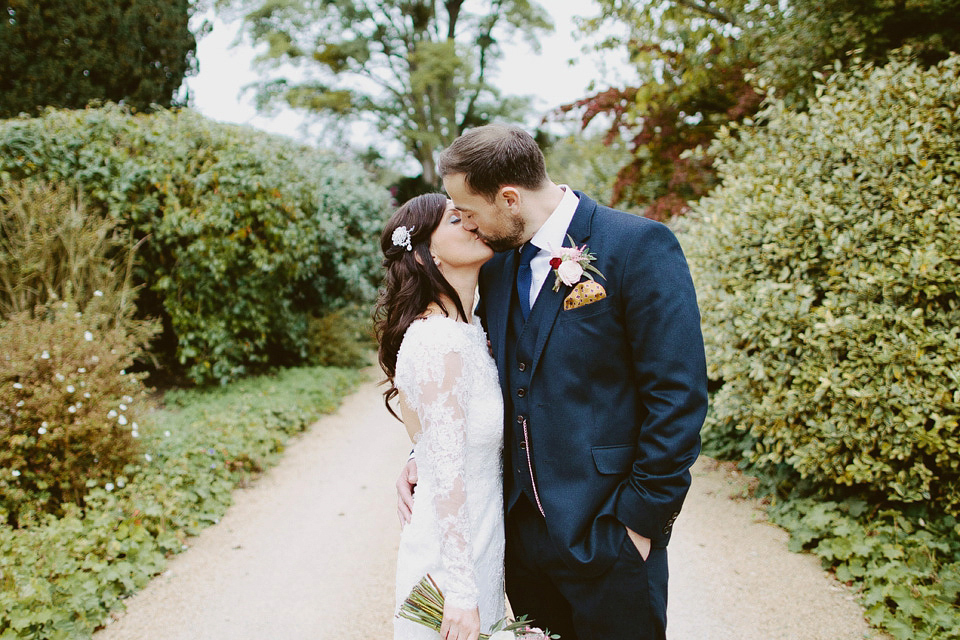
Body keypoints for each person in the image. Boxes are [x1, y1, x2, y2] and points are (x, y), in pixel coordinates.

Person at [396, 124, 708, 640]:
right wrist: (422, 454)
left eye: (468, 210)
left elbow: (679, 395)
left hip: (609, 535)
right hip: (519, 548)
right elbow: (474, 383)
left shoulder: (637, 247)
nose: (467, 224)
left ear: (510, 198)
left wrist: (638, 522)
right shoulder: (493, 269)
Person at [375, 193, 505, 640]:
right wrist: (460, 593)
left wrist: (418, 454)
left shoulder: (471, 331)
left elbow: (447, 438)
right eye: (456, 217)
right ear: (427, 252)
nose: (472, 221)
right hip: (451, 566)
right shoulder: (438, 342)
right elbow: (448, 476)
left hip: (483, 539)